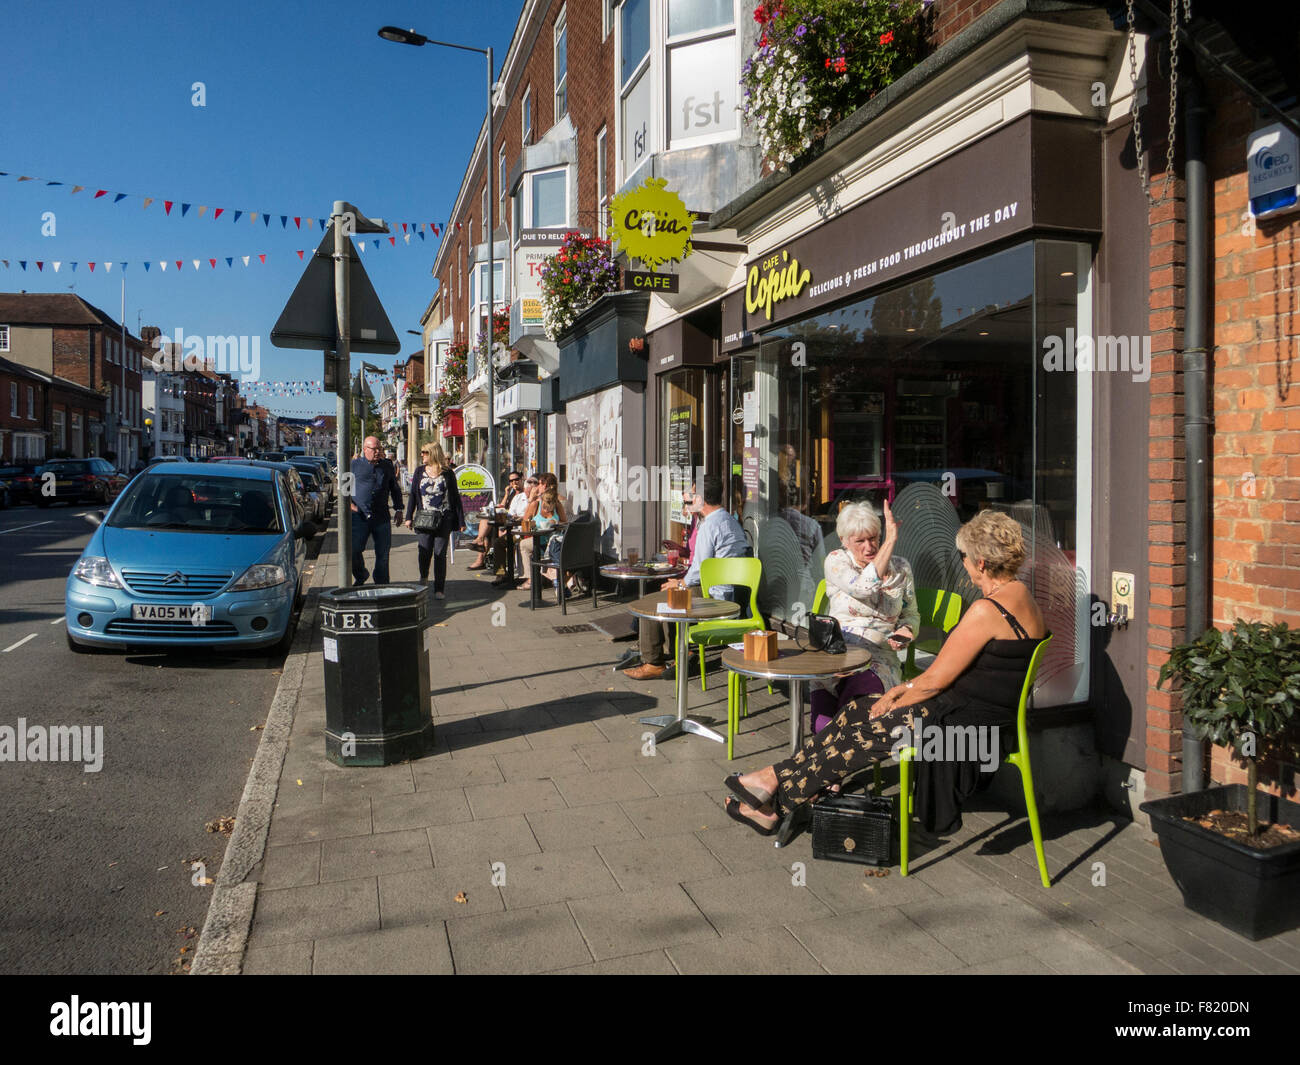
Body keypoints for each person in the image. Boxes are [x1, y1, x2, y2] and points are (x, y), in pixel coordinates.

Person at [721, 511, 1048, 838]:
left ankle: (774, 802)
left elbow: (935, 680)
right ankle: (772, 781)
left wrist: (896, 693)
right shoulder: (1022, 597)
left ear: (981, 564)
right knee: (853, 712)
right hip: (978, 716)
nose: (961, 564)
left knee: (861, 735)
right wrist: (898, 693)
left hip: (966, 728)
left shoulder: (985, 611)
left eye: (963, 556)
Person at [625, 474, 750, 681]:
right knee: (671, 594)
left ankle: (653, 662)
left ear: (700, 499)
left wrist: (680, 582)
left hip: (715, 594)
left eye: (692, 494)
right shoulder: (728, 520)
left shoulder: (710, 525)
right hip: (731, 591)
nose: (688, 498)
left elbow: (701, 568)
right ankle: (681, 654)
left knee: (655, 600)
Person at [811, 500, 917, 733]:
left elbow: (910, 613)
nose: (869, 547)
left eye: (874, 538)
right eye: (860, 541)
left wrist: (906, 630)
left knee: (856, 713)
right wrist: (891, 540)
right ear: (845, 541)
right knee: (823, 725)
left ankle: (831, 759)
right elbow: (863, 587)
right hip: (839, 656)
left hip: (878, 659)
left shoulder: (901, 568)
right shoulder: (837, 560)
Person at [404, 442, 464, 599]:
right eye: (421, 452)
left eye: (424, 452)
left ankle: (439, 588)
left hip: (443, 519)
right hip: (424, 518)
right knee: (424, 552)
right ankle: (423, 577)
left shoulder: (448, 474)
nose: (422, 455)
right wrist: (408, 517)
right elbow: (413, 495)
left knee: (439, 553)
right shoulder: (419, 472)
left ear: (433, 454)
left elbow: (455, 498)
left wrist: (461, 521)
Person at [350, 435, 403, 585]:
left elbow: (395, 488)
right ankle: (361, 574)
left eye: (379, 448)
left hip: (381, 516)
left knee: (383, 554)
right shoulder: (354, 465)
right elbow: (343, 489)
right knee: (354, 550)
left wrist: (399, 509)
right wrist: (350, 505)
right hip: (359, 516)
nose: (378, 451)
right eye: (374, 449)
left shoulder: (387, 465)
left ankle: (381, 583)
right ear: (365, 449)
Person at [467, 469, 525, 571]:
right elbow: (502, 506)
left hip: (513, 524)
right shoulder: (512, 493)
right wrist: (506, 494)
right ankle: (480, 547)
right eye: (511, 481)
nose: (514, 483)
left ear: (522, 479)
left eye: (516, 480)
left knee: (497, 537)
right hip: (505, 520)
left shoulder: (525, 494)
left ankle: (500, 571)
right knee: (486, 524)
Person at [520, 481, 565, 591]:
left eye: (551, 505)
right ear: (542, 500)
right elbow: (524, 522)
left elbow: (565, 522)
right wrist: (532, 524)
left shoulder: (558, 506)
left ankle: (534, 579)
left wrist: (556, 523)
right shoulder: (535, 505)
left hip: (553, 540)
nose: (547, 508)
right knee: (523, 545)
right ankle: (530, 578)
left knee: (523, 545)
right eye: (545, 505)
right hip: (538, 538)